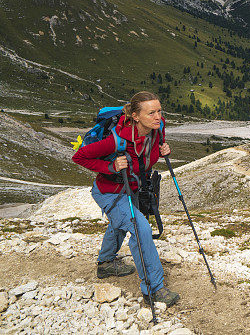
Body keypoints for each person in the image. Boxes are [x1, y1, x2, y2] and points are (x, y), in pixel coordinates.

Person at [72, 91, 179, 307]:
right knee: (141, 230)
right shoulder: (117, 140)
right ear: (136, 116)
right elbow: (79, 156)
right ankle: (154, 289)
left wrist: (162, 149)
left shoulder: (157, 129)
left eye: (159, 111)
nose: (158, 116)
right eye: (151, 113)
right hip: (110, 192)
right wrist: (110, 166)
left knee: (121, 222)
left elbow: (149, 156)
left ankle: (106, 264)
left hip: (134, 189)